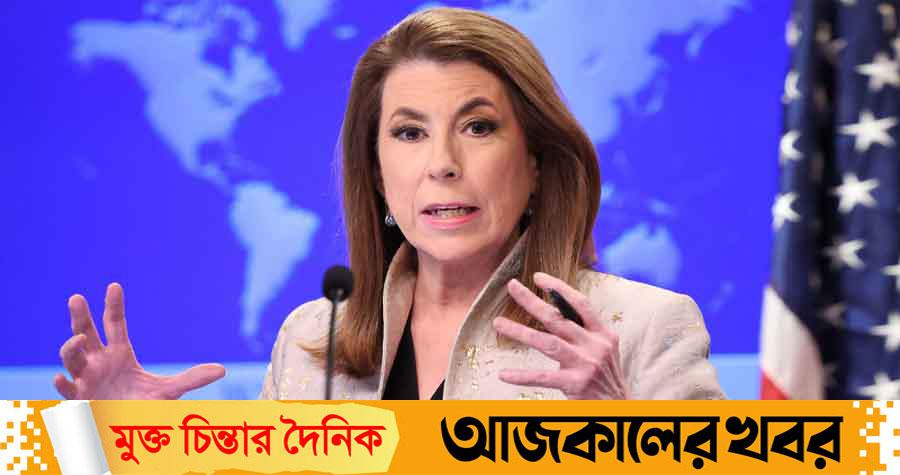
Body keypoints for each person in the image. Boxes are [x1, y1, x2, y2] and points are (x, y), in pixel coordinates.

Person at [55, 7, 724, 401]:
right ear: (376, 175)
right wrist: (124, 447)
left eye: (478, 127)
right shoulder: (312, 344)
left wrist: (623, 431)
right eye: (409, 133)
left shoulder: (644, 329)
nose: (442, 163)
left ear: (538, 164)